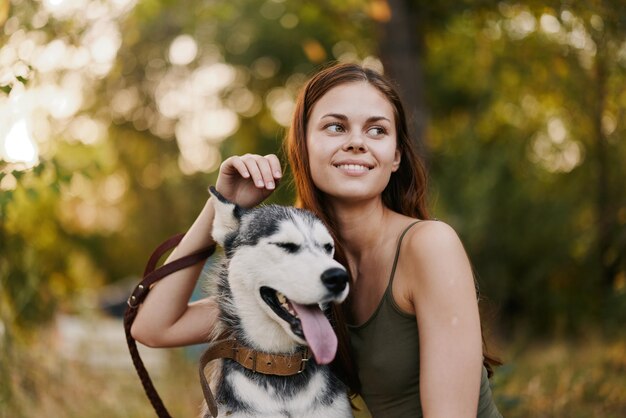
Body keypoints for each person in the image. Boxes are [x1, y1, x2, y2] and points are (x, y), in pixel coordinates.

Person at [131, 62, 502, 417]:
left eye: (377, 130)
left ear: (396, 157)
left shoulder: (429, 245)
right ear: (302, 147)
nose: (357, 142)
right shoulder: (307, 266)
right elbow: (153, 327)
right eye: (336, 127)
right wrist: (223, 207)